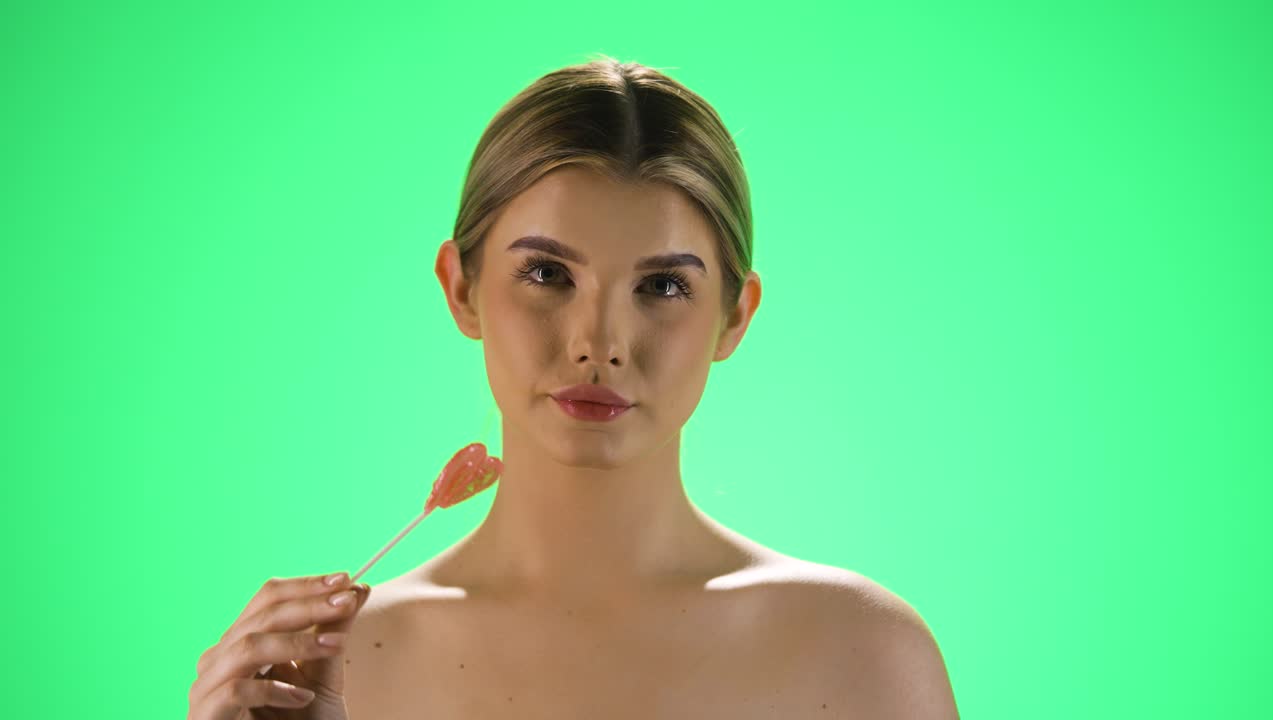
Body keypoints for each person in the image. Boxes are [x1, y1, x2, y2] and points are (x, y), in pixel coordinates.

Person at [189, 55, 959, 720]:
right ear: (461, 288)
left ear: (735, 317)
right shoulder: (325, 671)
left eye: (660, 286)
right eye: (548, 274)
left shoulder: (859, 656)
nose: (600, 343)